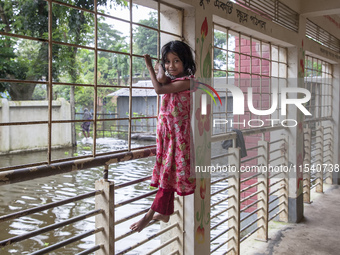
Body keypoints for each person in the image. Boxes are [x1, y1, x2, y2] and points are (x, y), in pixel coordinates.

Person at [130, 40, 196, 232]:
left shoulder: (188, 81)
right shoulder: (173, 80)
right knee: (167, 174)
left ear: (185, 61)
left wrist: (151, 66)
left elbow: (158, 89)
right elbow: (162, 80)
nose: (171, 66)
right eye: (167, 62)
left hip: (178, 137)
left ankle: (148, 216)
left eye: (176, 61)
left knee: (167, 175)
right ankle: (165, 213)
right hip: (166, 134)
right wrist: (160, 68)